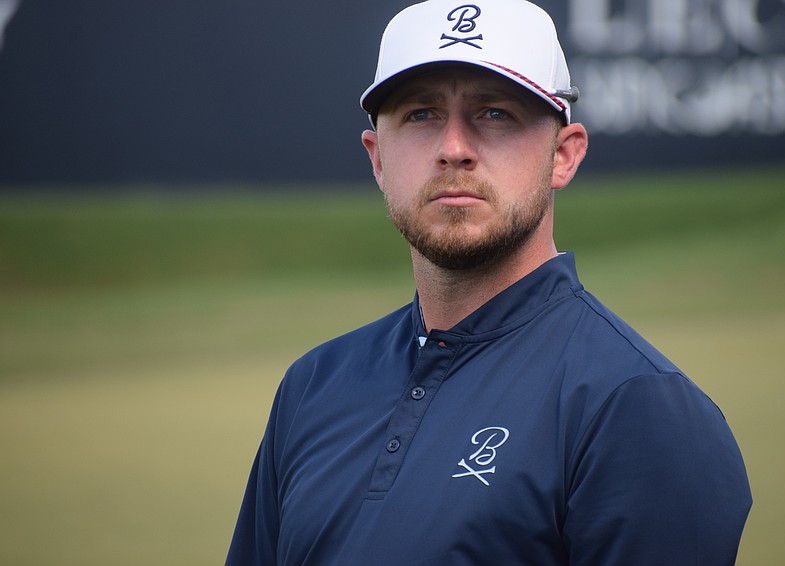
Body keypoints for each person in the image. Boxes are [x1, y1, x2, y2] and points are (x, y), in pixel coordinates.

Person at [226, 0, 752, 564]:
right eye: (421, 115)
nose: (454, 149)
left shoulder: (636, 406)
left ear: (564, 156)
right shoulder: (312, 386)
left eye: (495, 113)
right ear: (378, 159)